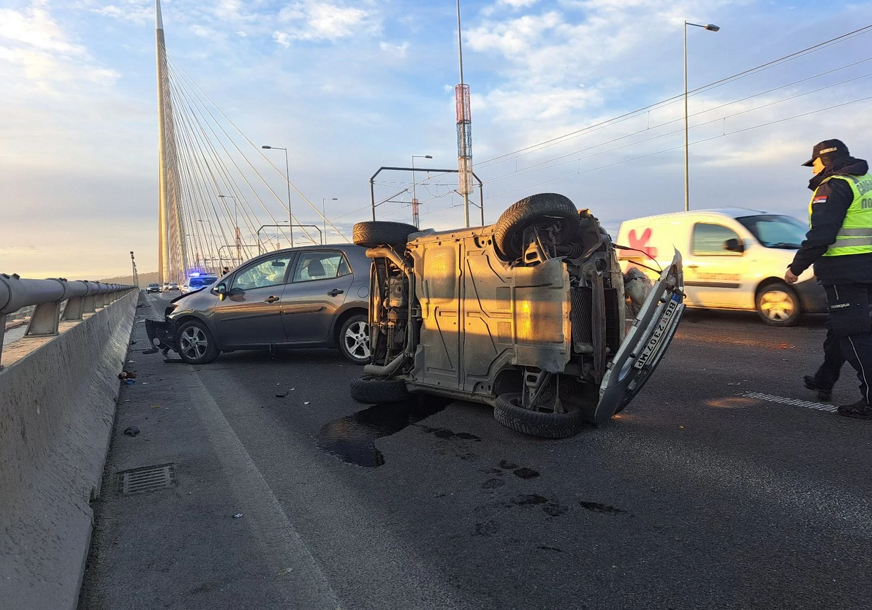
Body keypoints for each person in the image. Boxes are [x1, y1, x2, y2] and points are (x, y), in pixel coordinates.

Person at [785, 139, 872, 419]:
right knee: (840, 327)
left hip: (846, 271)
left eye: (815, 164)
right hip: (867, 267)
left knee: (854, 334)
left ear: (824, 160)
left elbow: (823, 234)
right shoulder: (865, 181)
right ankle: (825, 379)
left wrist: (796, 268)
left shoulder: (835, 185)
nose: (813, 170)